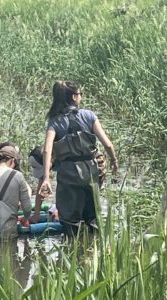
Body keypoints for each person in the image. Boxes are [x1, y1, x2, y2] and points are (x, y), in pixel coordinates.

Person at [39, 80, 118, 236]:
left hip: (68, 175)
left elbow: (47, 150)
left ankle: (74, 253)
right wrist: (114, 161)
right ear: (74, 97)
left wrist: (47, 177)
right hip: (91, 172)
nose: (81, 97)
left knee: (69, 221)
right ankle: (93, 251)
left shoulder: (54, 121)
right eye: (80, 94)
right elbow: (108, 145)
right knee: (93, 217)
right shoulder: (89, 116)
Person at [28, 146, 107, 224]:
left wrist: (59, 210)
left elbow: (69, 189)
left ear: (50, 159)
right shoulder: (47, 160)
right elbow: (41, 190)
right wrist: (36, 215)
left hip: (93, 163)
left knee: (86, 201)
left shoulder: (65, 159)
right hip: (77, 169)